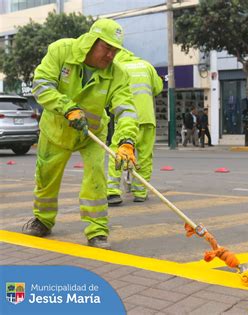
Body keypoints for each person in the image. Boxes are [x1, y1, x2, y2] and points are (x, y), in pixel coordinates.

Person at [22, 19, 139, 249]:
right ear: (91, 42)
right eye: (107, 48)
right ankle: (43, 220)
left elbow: (126, 110)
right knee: (46, 178)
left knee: (96, 177)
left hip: (91, 134)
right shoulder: (61, 51)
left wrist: (126, 141)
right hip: (56, 131)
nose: (111, 56)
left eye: (115, 51)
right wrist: (67, 107)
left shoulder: (118, 75)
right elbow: (42, 84)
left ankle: (97, 231)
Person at [107, 50, 163, 205]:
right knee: (144, 156)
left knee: (118, 153)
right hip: (146, 118)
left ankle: (112, 191)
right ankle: (140, 192)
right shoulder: (147, 66)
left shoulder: (117, 67)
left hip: (126, 119)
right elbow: (158, 88)